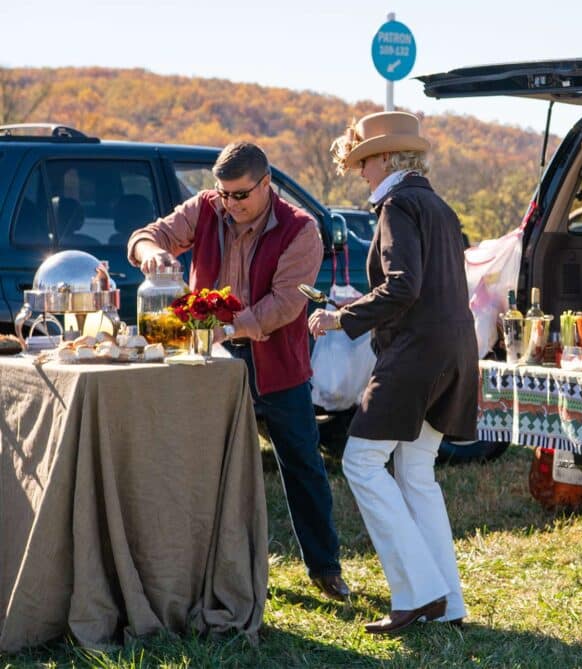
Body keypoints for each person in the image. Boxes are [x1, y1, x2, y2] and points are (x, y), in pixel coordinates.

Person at [126, 141, 348, 601]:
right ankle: (207, 569)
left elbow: (287, 302)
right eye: (223, 194)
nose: (229, 204)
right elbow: (146, 235)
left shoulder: (302, 230)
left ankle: (325, 567)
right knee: (206, 464)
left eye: (240, 195)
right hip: (210, 362)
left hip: (276, 364)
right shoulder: (206, 207)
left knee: (301, 462)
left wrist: (228, 327)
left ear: (266, 184)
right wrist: (150, 252)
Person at [308, 111, 477, 635]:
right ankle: (447, 601)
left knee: (360, 462)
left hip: (418, 354)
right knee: (416, 472)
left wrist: (340, 318)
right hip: (454, 350)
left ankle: (417, 593)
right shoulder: (438, 206)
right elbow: (423, 285)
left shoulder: (397, 204)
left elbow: (404, 286)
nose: (360, 172)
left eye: (363, 161)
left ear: (384, 158)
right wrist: (363, 305)